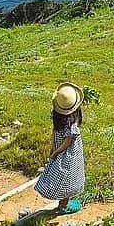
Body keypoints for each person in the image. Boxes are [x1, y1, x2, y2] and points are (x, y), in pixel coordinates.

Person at [35, 82, 86, 215]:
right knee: (68, 176)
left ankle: (62, 202)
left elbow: (54, 132)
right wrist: (57, 151)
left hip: (59, 148)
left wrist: (53, 147)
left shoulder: (57, 118)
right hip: (68, 153)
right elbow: (69, 142)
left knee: (59, 174)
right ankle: (64, 206)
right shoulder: (72, 123)